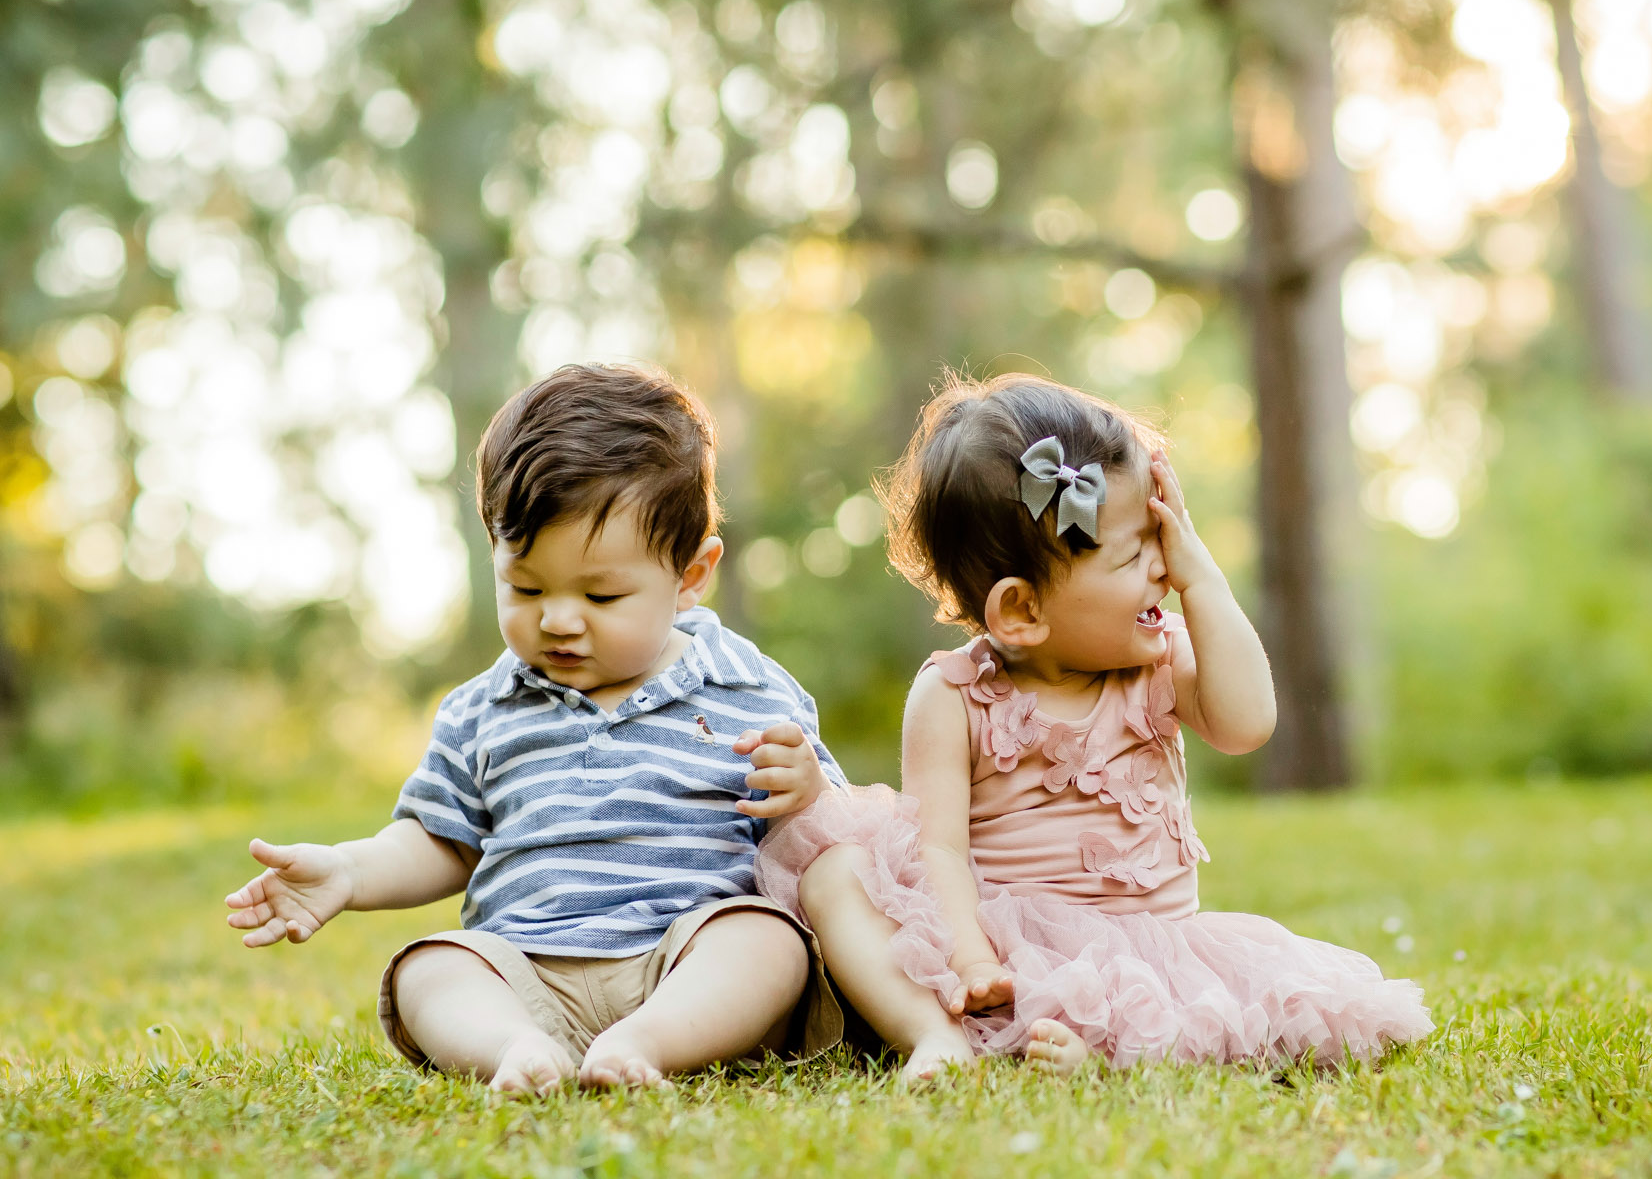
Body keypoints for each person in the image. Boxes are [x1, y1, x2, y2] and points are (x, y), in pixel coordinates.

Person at [758, 374, 1433, 1080]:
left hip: (1145, 954)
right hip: (996, 941)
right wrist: (969, 957)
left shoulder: (1162, 656)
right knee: (836, 874)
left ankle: (1099, 1048)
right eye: (1133, 553)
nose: (1162, 571)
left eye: (1162, 540)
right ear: (1020, 611)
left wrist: (1203, 577)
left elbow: (1247, 723)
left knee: (1183, 1007)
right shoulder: (952, 694)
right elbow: (939, 850)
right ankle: (937, 1032)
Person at [224, 364, 844, 1095]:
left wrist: (805, 795)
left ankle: (647, 1042)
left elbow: (835, 845)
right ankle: (518, 1050)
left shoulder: (749, 690)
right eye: (524, 586)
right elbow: (440, 839)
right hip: (526, 969)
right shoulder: (483, 709)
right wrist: (350, 870)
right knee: (431, 966)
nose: (557, 618)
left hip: (684, 963)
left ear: (691, 575)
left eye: (601, 592)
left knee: (766, 940)